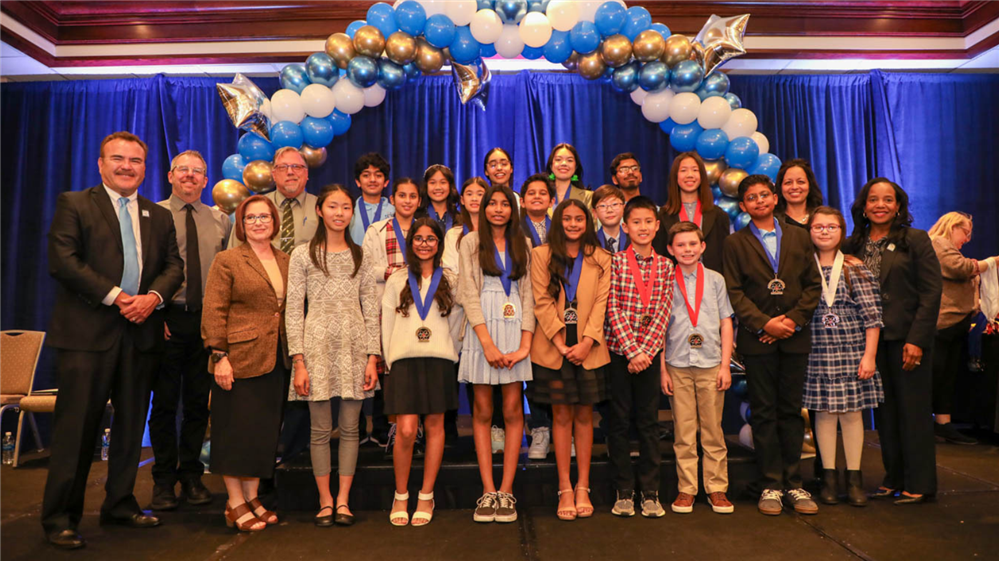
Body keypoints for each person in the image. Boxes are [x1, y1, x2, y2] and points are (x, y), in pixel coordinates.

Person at [42, 131, 184, 549]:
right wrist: (119, 297)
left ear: (145, 167)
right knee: (77, 430)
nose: (127, 166)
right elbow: (63, 262)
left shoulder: (157, 215)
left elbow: (174, 266)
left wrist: (153, 297)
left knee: (129, 428)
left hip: (141, 334)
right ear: (101, 164)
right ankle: (59, 517)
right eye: (118, 158)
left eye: (136, 160)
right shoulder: (75, 204)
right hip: (87, 336)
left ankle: (120, 503)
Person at [722, 174, 822, 517]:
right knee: (764, 411)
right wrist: (765, 323)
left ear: (775, 198)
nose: (759, 201)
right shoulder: (735, 243)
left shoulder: (798, 236)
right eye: (752, 198)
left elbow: (812, 285)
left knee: (791, 412)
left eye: (765, 195)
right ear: (744, 205)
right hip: (758, 338)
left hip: (794, 336)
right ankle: (770, 484)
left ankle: (794, 483)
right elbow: (734, 292)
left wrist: (791, 321)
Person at [843, 178, 942, 505]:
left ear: (898, 206)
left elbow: (931, 293)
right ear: (864, 206)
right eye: (873, 200)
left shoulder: (915, 239)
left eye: (888, 199)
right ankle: (893, 478)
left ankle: (920, 483)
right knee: (885, 415)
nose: (880, 205)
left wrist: (918, 340)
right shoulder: (852, 245)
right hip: (870, 343)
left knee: (913, 413)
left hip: (906, 340)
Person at [287, 185, 380, 527]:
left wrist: (373, 356)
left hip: (355, 349)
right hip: (315, 348)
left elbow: (371, 309)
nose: (340, 213)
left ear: (351, 213)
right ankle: (324, 501)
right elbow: (294, 310)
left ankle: (344, 500)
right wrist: (298, 360)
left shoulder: (362, 255)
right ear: (321, 211)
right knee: (320, 430)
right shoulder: (302, 255)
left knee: (352, 429)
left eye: (345, 207)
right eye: (333, 207)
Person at [149, 150, 231, 511]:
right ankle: (163, 481)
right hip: (166, 319)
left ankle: (192, 476)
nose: (190, 177)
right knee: (165, 404)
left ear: (206, 178)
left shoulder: (221, 220)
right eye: (183, 170)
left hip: (206, 323)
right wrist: (155, 315)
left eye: (198, 171)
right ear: (170, 175)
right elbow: (143, 270)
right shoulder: (151, 215)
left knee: (199, 403)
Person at [202, 195, 289, 532]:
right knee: (233, 433)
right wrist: (219, 357)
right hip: (237, 360)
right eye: (250, 217)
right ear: (241, 223)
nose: (258, 222)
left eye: (264, 216)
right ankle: (234, 501)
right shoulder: (227, 260)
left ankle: (253, 498)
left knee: (260, 434)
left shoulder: (285, 259)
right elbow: (214, 311)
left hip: (274, 360)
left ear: (274, 221)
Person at [529, 200, 611, 520]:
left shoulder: (602, 258)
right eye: (567, 218)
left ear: (587, 222)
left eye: (579, 219)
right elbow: (541, 301)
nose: (573, 224)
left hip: (589, 348)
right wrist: (562, 343)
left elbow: (603, 303)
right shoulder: (541, 254)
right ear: (558, 221)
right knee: (560, 417)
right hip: (555, 347)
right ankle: (564, 486)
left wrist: (588, 341)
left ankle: (583, 485)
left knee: (584, 417)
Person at [457, 185, 535, 524]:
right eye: (493, 204)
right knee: (483, 410)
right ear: (484, 208)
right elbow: (468, 294)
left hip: (515, 327)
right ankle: (487, 489)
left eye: (505, 204)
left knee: (514, 409)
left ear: (513, 210)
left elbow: (530, 295)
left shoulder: (525, 244)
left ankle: (507, 490)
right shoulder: (470, 242)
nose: (499, 209)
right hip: (482, 331)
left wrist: (525, 344)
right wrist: (487, 343)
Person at [383, 218, 464, 527]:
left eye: (431, 239)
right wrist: (390, 361)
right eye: (418, 238)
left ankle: (426, 495)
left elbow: (458, 324)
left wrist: (450, 351)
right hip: (404, 361)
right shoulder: (397, 280)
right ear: (410, 242)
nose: (424, 244)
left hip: (439, 360)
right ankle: (400, 494)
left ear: (439, 244)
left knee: (434, 427)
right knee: (405, 430)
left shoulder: (451, 280)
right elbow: (387, 323)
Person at [805, 207, 884, 507]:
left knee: (852, 416)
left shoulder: (856, 268)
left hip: (852, 353)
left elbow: (873, 318)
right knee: (824, 415)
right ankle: (828, 478)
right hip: (817, 354)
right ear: (809, 232)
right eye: (818, 227)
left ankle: (854, 479)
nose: (824, 232)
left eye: (831, 227)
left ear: (842, 231)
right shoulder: (803, 268)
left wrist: (870, 356)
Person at [605, 196, 675, 519]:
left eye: (649, 222)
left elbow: (664, 309)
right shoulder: (615, 262)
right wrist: (633, 351)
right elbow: (612, 308)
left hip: (649, 354)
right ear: (625, 226)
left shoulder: (665, 265)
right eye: (636, 222)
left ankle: (650, 492)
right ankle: (623, 491)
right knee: (618, 422)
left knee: (648, 423)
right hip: (620, 354)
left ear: (657, 226)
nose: (643, 227)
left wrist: (646, 352)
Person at [661, 221, 735, 515]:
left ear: (702, 246)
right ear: (670, 250)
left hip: (710, 363)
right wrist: (662, 370)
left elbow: (726, 322)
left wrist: (725, 365)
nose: (687, 249)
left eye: (693, 244)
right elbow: (660, 327)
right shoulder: (665, 279)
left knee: (713, 430)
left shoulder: (716, 279)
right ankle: (686, 489)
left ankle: (717, 488)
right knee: (683, 430)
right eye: (680, 245)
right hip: (676, 364)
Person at [362, 177, 423, 457]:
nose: (407, 201)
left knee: (417, 366)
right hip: (387, 308)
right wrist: (396, 273)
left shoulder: (426, 230)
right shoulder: (377, 230)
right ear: (393, 198)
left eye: (412, 196)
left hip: (421, 309)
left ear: (419, 201)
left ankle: (416, 429)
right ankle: (393, 428)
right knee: (390, 369)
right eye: (402, 196)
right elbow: (366, 267)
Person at [928, 212, 996, 445]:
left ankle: (943, 424)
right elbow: (960, 268)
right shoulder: (938, 244)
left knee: (948, 377)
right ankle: (922, 424)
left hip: (957, 323)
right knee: (935, 374)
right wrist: (992, 262)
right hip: (941, 323)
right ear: (952, 226)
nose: (967, 239)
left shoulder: (949, 248)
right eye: (965, 233)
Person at [228, 147, 318, 252]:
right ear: (274, 175)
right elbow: (232, 256)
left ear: (306, 173)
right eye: (282, 167)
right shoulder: (251, 208)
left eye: (296, 167)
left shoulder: (321, 208)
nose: (290, 172)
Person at [652, 152, 730, 272]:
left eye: (695, 170)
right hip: (673, 285)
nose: (689, 175)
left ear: (702, 176)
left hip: (711, 285)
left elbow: (725, 258)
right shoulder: (662, 216)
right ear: (675, 176)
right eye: (683, 170)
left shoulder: (718, 215)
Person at [442, 177, 488, 273]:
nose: (474, 198)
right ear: (462, 200)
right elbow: (449, 272)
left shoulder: (497, 233)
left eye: (480, 194)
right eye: (469, 194)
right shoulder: (453, 235)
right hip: (460, 286)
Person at [348, 152, 394, 245]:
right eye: (366, 175)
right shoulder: (350, 210)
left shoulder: (394, 212)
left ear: (386, 182)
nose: (372, 180)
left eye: (378, 175)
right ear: (358, 182)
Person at [775, 158, 824, 229]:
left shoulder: (822, 217)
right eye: (788, 182)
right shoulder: (773, 222)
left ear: (810, 185)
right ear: (780, 187)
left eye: (800, 182)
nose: (794, 187)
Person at [545, 143, 593, 210]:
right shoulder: (540, 195)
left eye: (569, 160)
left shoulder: (588, 197)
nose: (564, 163)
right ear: (551, 165)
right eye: (558, 159)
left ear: (576, 166)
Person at [420, 164, 460, 232]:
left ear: (450, 186)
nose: (438, 187)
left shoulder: (460, 218)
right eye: (432, 183)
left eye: (443, 182)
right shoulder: (417, 217)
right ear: (426, 186)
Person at [591, 185, 630, 253]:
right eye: (603, 206)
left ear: (624, 209)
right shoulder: (590, 242)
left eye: (614, 204)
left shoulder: (633, 239)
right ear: (595, 213)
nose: (609, 210)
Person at [521, 173, 555, 249]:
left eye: (543, 193)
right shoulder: (515, 229)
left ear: (551, 202)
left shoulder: (559, 229)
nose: (537, 196)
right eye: (531, 193)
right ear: (522, 202)